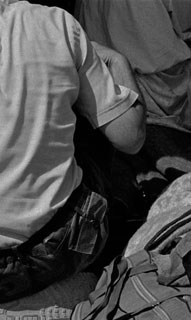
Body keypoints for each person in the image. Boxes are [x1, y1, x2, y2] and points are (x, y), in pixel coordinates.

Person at [0, 0, 146, 303]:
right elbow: (130, 137)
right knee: (88, 121)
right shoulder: (54, 25)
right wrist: (117, 61)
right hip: (59, 249)